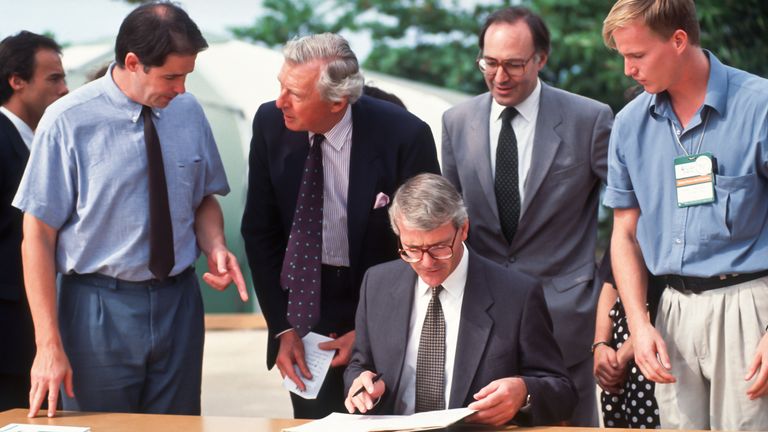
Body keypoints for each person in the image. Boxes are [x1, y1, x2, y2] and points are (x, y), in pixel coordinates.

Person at [13, 1, 248, 418]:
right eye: (171, 77)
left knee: (176, 428)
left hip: (180, 304)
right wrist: (47, 346)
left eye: (186, 76)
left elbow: (204, 199)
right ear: (133, 62)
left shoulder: (189, 112)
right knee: (100, 426)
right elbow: (37, 235)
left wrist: (214, 245)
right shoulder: (67, 121)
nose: (182, 89)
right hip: (96, 310)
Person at [241, 33, 440, 419]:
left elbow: (425, 245)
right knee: (315, 422)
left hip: (384, 297)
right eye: (280, 86)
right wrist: (282, 329)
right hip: (305, 302)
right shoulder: (270, 122)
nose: (281, 100)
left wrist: (370, 333)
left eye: (294, 93)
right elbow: (260, 231)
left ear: (338, 100)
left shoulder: (405, 136)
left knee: (385, 420)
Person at [440, 6, 613, 426]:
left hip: (565, 319)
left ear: (542, 59)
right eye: (490, 63)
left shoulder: (589, 119)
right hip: (480, 319)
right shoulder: (456, 121)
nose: (500, 76)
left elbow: (632, 214)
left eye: (514, 64)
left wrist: (605, 289)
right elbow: (449, 222)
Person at [602, 0, 768, 429]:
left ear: (678, 40)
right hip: (671, 311)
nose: (628, 70)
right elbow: (624, 233)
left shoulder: (760, 106)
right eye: (622, 57)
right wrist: (639, 325)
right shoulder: (628, 124)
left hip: (749, 307)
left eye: (637, 55)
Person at [343, 173, 576, 426]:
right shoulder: (377, 284)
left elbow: (562, 393)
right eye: (412, 250)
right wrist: (363, 387)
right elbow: (360, 365)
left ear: (463, 228)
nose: (426, 262)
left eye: (439, 247)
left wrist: (523, 393)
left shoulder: (517, 294)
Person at [0, 30, 68, 412]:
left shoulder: (35, 140)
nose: (64, 88)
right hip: (9, 338)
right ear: (17, 81)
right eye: (53, 78)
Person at [592, 242, 661, 428]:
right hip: (619, 349)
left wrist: (620, 357)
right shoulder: (627, 222)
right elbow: (610, 281)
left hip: (655, 351)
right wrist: (600, 345)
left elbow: (666, 301)